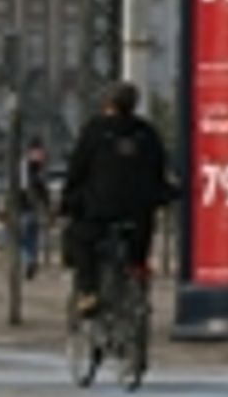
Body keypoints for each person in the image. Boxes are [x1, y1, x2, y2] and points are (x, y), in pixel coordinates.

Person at [62, 82, 174, 317]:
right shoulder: (147, 133)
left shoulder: (94, 130)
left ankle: (88, 291)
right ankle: (139, 281)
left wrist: (68, 200)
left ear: (107, 104)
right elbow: (159, 171)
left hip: (99, 211)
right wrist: (163, 195)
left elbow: (77, 169)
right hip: (138, 212)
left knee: (81, 240)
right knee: (139, 246)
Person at [17, 140, 52, 279]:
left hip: (24, 208)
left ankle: (29, 261)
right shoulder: (34, 169)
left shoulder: (25, 167)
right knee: (31, 237)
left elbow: (24, 188)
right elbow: (42, 190)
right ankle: (31, 261)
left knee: (23, 238)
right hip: (32, 208)